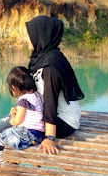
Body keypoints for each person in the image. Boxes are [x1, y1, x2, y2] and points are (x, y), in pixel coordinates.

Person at [25, 15, 85, 155]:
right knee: (7, 123)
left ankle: (1, 166)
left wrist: (50, 137)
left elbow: (50, 101)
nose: (26, 39)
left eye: (28, 35)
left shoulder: (51, 65)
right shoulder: (41, 58)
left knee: (5, 126)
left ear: (40, 35)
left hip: (63, 122)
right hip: (55, 116)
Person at [0, 66, 45, 170]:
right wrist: (15, 112)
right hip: (39, 134)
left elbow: (17, 121)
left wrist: (12, 119)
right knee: (8, 137)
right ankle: (8, 163)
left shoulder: (23, 100)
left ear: (13, 88)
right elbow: (28, 114)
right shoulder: (35, 95)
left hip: (28, 134)